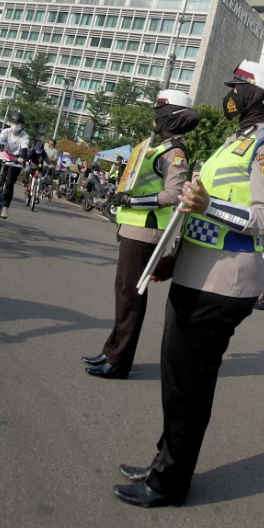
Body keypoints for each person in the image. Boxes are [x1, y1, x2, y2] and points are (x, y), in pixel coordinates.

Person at [114, 60, 264, 508]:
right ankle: (163, 463)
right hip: (197, 273)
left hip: (223, 282)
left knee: (189, 385)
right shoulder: (234, 143)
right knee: (178, 380)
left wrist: (209, 206)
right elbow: (193, 209)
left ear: (259, 99)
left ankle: (170, 482)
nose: (230, 94)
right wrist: (171, 256)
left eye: (239, 89)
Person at [83, 91, 199, 380]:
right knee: (124, 292)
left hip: (146, 229)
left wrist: (132, 202)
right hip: (133, 227)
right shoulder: (158, 147)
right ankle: (111, 350)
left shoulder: (175, 152)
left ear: (173, 116)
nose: (156, 115)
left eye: (161, 110)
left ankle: (119, 360)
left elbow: (174, 194)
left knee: (131, 296)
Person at [0, 110, 30, 217]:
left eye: (18, 124)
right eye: (14, 123)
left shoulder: (24, 136)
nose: (15, 125)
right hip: (3, 157)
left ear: (22, 125)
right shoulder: (6, 131)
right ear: (11, 123)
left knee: (9, 183)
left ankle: (5, 208)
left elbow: (24, 148)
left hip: (15, 161)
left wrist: (22, 158)